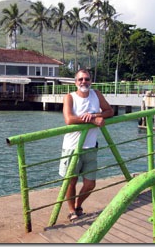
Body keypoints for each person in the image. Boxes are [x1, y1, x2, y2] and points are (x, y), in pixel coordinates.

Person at [59, 69, 114, 222]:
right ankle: (71, 210)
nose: (84, 82)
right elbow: (69, 120)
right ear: (76, 82)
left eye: (87, 79)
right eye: (81, 79)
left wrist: (95, 115)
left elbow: (110, 111)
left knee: (90, 183)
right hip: (72, 147)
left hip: (90, 147)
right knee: (71, 181)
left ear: (91, 81)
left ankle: (78, 204)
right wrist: (91, 120)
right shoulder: (69, 97)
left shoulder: (96, 94)